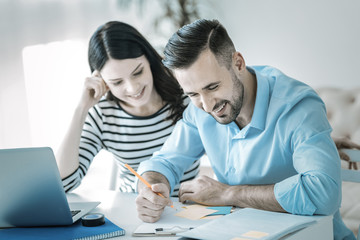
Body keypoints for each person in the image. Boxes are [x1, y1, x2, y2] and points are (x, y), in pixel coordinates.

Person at [135, 19, 355, 239]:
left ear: (238, 63)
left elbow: (324, 194)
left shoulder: (298, 107)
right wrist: (152, 186)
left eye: (213, 87)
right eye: (192, 94)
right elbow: (165, 161)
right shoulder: (200, 110)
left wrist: (228, 193)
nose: (208, 105)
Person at [55, 21, 200, 196]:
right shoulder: (103, 116)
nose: (133, 88)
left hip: (188, 210)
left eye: (138, 72)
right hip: (133, 210)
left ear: (149, 59)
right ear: (102, 81)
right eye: (117, 82)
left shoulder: (187, 96)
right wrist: (81, 109)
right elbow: (64, 184)